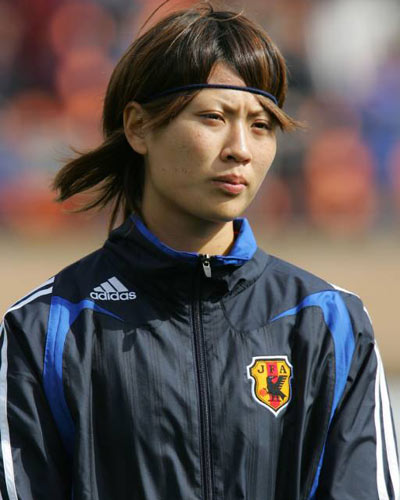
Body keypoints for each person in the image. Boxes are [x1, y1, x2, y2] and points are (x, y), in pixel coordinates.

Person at [0, 3, 399, 499]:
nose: (240, 149)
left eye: (261, 125)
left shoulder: (329, 323)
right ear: (138, 127)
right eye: (213, 117)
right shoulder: (47, 329)